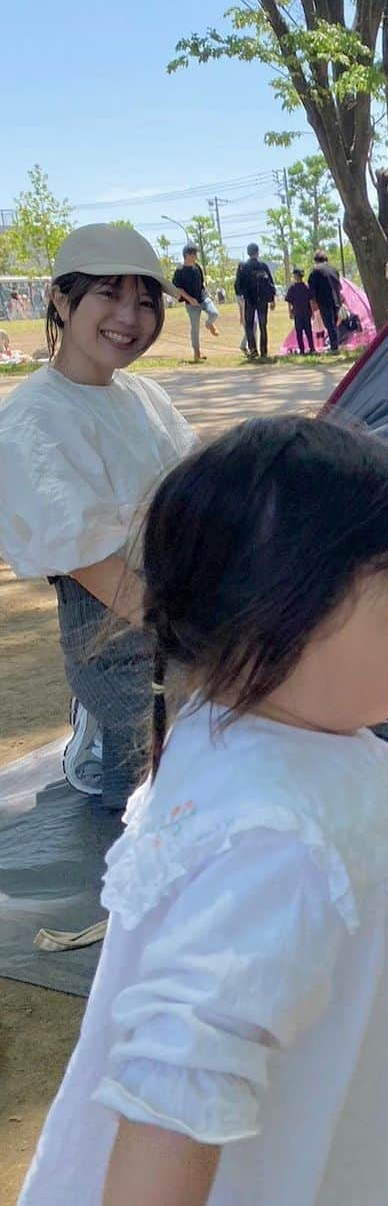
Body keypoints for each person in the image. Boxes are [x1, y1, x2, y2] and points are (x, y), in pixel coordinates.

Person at [13, 415, 388, 1206]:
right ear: (276, 621)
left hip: (319, 1137)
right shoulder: (269, 837)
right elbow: (173, 1088)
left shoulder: (263, 731)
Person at [0, 225, 197, 809]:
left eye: (145, 301)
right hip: (116, 632)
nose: (130, 318)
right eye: (108, 294)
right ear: (62, 299)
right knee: (147, 797)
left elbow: (198, 488)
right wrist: (193, 636)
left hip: (176, 603)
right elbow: (89, 562)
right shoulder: (33, 421)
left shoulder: (142, 396)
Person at [171, 244, 220, 363]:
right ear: (187, 255)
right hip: (190, 303)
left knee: (214, 313)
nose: (195, 256)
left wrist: (207, 293)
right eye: (194, 254)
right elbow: (178, 289)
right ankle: (197, 353)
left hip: (203, 298)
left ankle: (209, 324)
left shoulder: (197, 267)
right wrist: (190, 299)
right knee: (195, 328)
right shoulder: (179, 271)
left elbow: (202, 283)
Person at [234, 243, 276, 360]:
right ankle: (264, 351)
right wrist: (272, 299)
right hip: (263, 300)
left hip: (249, 300)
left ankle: (253, 349)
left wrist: (240, 295)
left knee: (249, 325)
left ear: (248, 253)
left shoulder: (243, 266)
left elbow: (238, 284)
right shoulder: (263, 266)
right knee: (263, 326)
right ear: (257, 252)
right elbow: (271, 284)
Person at [308, 248, 342, 353]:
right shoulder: (334, 269)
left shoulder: (316, 270)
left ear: (315, 260)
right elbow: (339, 286)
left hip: (324, 300)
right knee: (334, 324)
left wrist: (313, 302)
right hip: (336, 299)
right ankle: (335, 344)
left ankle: (334, 347)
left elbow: (312, 288)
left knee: (329, 324)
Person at [285, 266, 315, 354]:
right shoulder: (294, 288)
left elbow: (310, 301)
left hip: (304, 313)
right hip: (300, 313)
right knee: (300, 332)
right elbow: (289, 302)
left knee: (306, 331)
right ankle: (303, 349)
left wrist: (312, 312)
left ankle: (311, 348)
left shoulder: (304, 287)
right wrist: (290, 312)